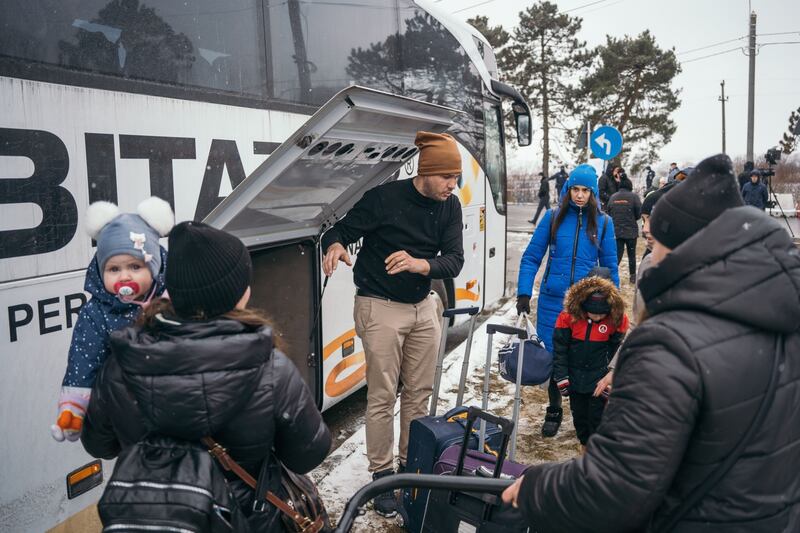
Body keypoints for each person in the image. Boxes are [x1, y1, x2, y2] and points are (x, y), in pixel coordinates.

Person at [503, 154, 800, 532]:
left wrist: (536, 488)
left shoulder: (669, 343)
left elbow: (617, 486)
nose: (648, 251)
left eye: (654, 240)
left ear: (684, 247)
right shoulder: (784, 314)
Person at [81, 221, 332, 532]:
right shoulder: (271, 368)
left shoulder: (120, 365)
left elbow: (99, 445)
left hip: (158, 522)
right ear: (238, 294)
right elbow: (307, 454)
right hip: (248, 520)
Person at [320, 131, 464, 517]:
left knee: (420, 391)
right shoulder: (384, 199)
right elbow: (340, 232)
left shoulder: (450, 206)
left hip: (423, 306)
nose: (453, 185)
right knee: (383, 394)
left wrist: (421, 265)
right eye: (447, 177)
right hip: (379, 305)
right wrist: (334, 246)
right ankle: (381, 475)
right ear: (427, 171)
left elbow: (454, 259)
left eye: (457, 177)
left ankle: (409, 465)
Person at [51, 197, 172, 442]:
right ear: (100, 270)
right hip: (131, 410)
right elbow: (83, 359)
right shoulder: (97, 313)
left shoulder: (172, 299)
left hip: (173, 403)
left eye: (135, 267)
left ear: (155, 267)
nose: (124, 276)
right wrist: (73, 408)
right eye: (114, 269)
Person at [516, 164, 619, 438]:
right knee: (554, 358)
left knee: (582, 360)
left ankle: (582, 412)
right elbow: (530, 257)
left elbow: (610, 265)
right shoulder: (552, 218)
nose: (580, 195)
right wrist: (524, 292)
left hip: (586, 307)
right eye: (575, 189)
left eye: (586, 190)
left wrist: (613, 305)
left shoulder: (604, 223)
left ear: (594, 193)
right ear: (567, 189)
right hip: (552, 302)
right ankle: (554, 408)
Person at [553, 268, 628, 454]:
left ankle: (596, 459)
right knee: (580, 421)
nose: (596, 317)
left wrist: (612, 378)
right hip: (575, 380)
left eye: (601, 314)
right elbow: (560, 350)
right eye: (591, 313)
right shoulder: (567, 318)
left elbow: (618, 351)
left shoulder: (618, 320)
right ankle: (585, 454)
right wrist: (561, 377)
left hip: (599, 382)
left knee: (597, 422)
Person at [606, 180, 642, 283]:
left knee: (617, 255)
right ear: (630, 186)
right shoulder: (634, 197)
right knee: (632, 255)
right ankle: (633, 277)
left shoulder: (613, 197)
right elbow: (639, 212)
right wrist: (631, 218)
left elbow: (609, 212)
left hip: (617, 231)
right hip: (631, 231)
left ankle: (612, 276)